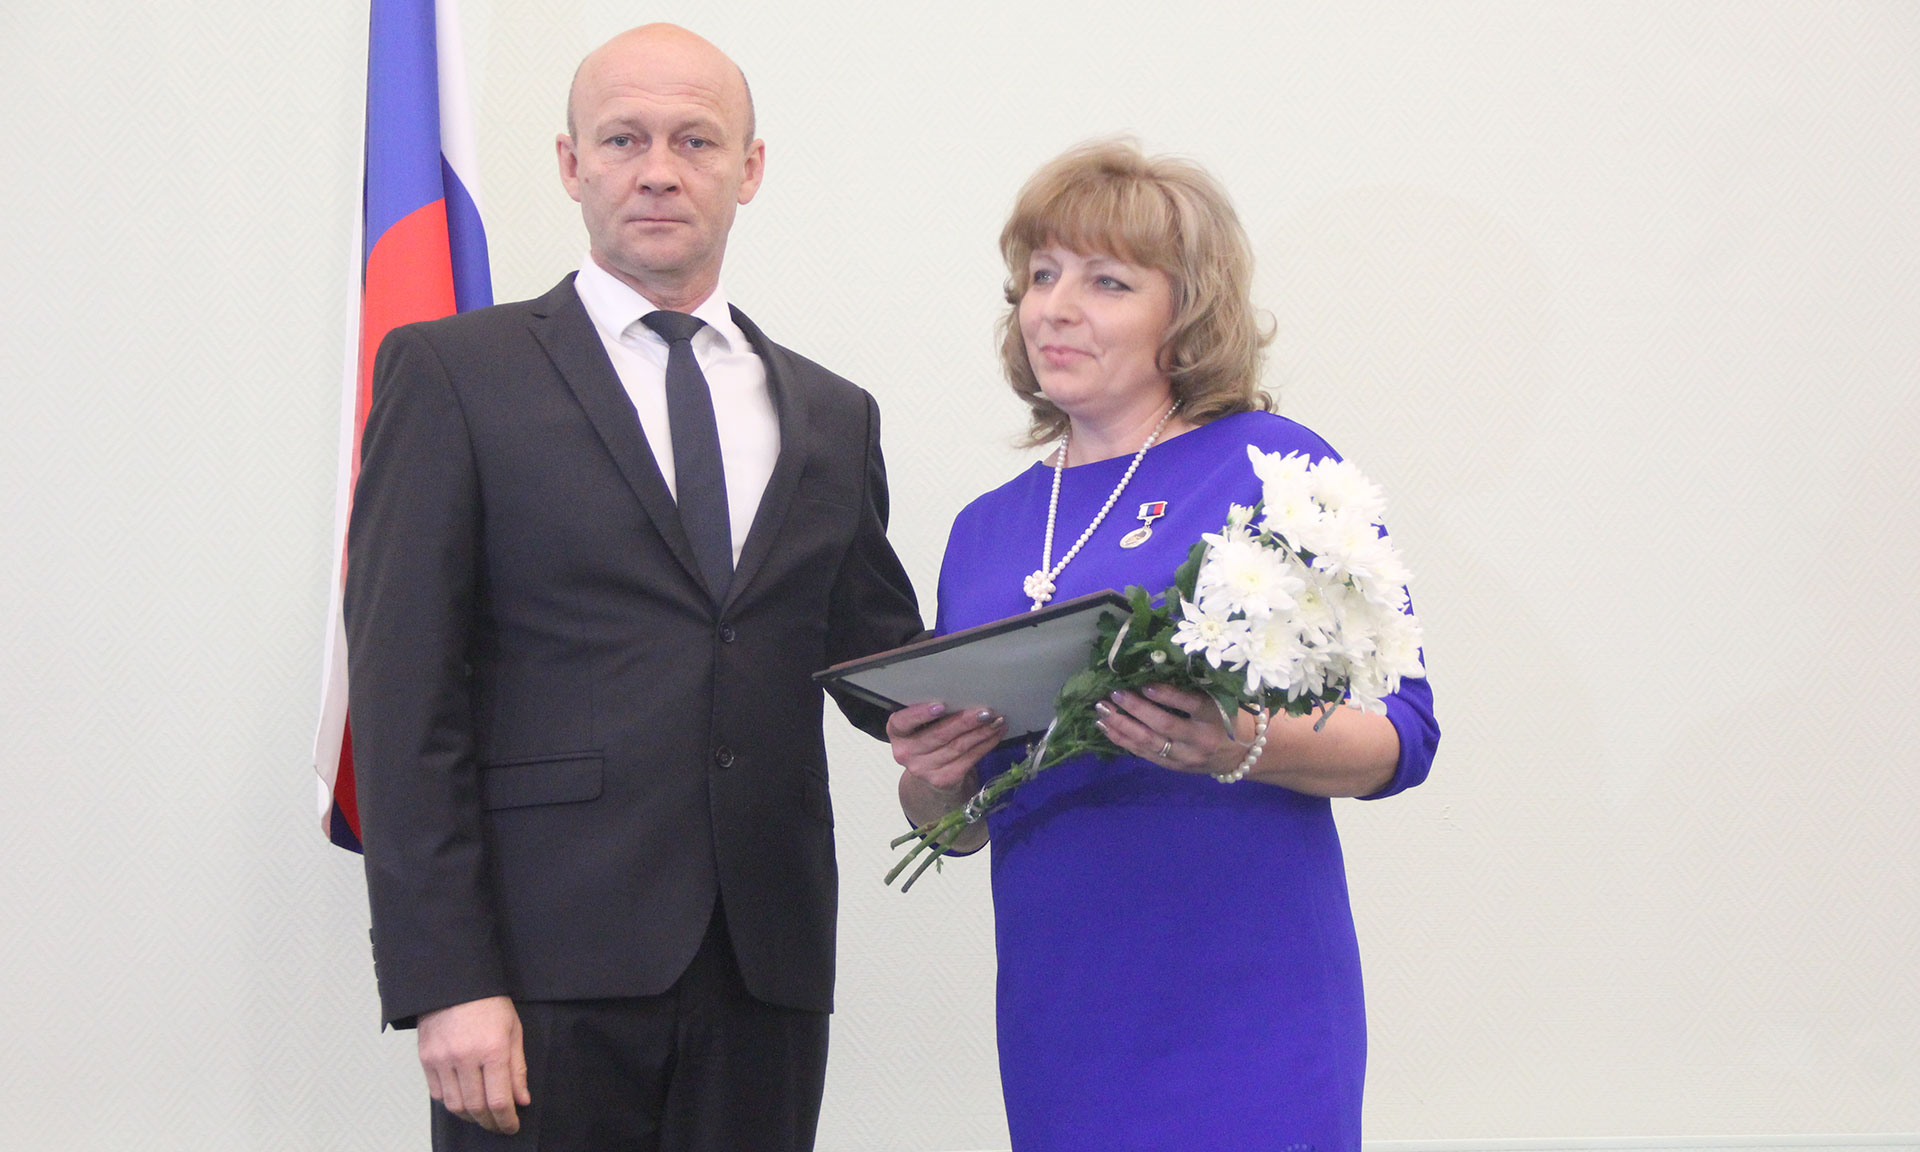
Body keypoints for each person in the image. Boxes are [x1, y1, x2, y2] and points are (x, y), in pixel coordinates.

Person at [344, 24, 921, 1151]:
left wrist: (1038, 678)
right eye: (623, 139)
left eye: (695, 140)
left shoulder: (833, 415)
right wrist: (445, 978)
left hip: (764, 971)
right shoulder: (454, 375)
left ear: (749, 168)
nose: (659, 169)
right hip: (536, 976)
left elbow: (877, 664)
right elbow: (405, 698)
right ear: (571, 165)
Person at [888, 140, 1440, 1150]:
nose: (1056, 308)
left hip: (1248, 998)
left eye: (1107, 281)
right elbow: (958, 829)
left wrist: (1245, 743)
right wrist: (934, 782)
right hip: (1066, 1008)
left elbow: (1403, 737)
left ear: (1186, 314)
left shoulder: (1275, 470)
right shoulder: (985, 530)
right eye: (1041, 276)